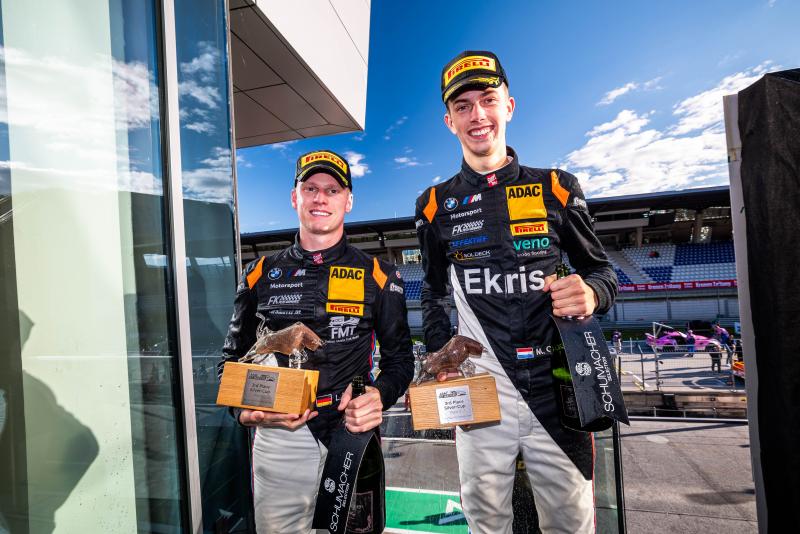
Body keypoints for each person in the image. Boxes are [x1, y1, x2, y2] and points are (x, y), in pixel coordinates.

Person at [415, 50, 618, 534]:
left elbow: (602, 272)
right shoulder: (433, 204)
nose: (477, 115)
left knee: (571, 524)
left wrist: (591, 294)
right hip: (482, 391)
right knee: (486, 523)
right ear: (449, 121)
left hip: (559, 388)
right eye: (462, 106)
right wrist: (441, 359)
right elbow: (434, 293)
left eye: (488, 100)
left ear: (509, 106)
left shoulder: (557, 186)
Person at [220, 150, 414, 533]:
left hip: (351, 432)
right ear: (295, 197)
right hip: (280, 437)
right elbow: (230, 363)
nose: (320, 198)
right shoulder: (259, 273)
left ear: (348, 200)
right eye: (310, 188)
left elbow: (400, 362)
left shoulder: (379, 274)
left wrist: (378, 395)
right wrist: (243, 413)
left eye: (332, 190)